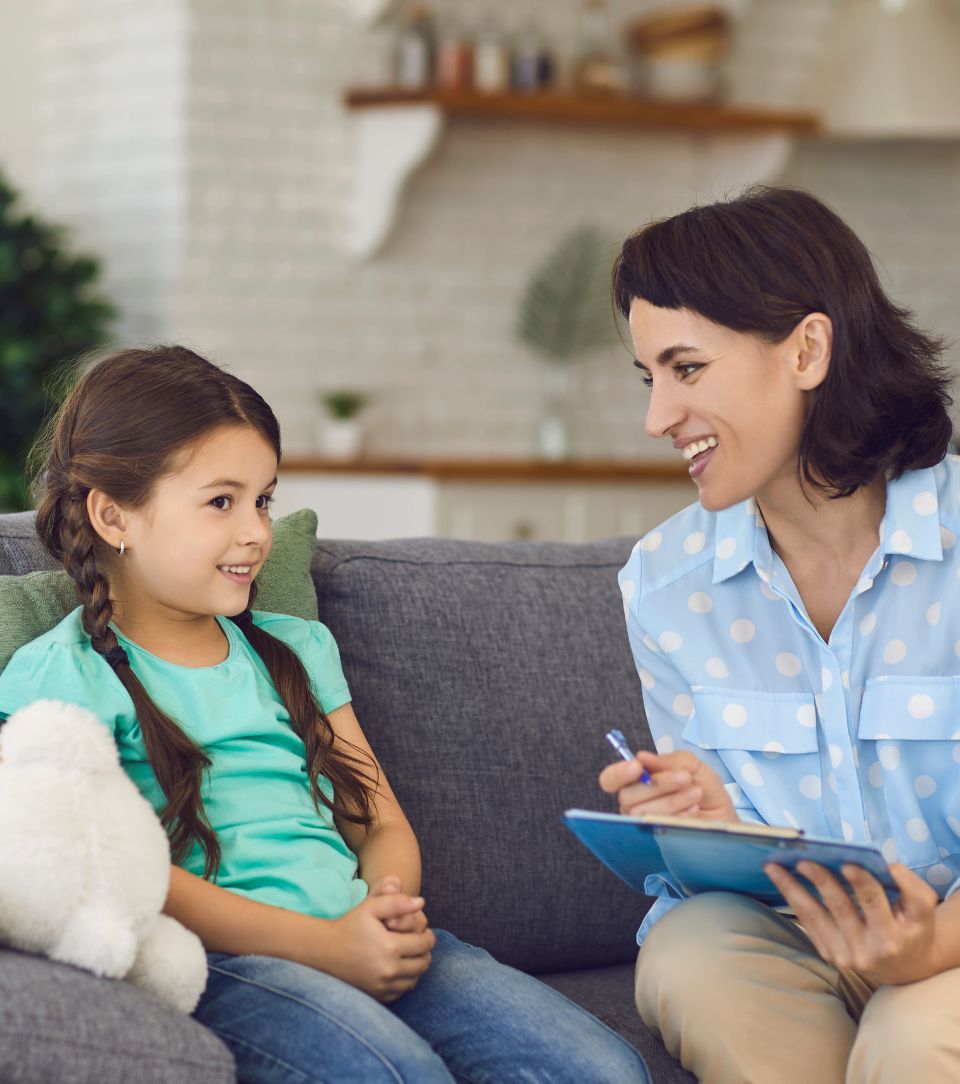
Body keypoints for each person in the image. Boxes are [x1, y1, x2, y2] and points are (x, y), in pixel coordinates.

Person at [0, 346, 651, 1084]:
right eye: (222, 501)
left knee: (604, 1069)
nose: (255, 532)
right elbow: (127, 872)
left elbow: (378, 822)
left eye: (263, 500)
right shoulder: (62, 676)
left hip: (360, 928)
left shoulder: (296, 648)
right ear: (114, 514)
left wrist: (384, 912)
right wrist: (326, 948)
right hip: (234, 966)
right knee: (392, 1072)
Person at [598, 186, 960, 1083]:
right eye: (650, 379)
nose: (657, 419)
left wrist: (926, 948)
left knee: (918, 1036)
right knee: (689, 956)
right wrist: (716, 824)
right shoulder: (666, 585)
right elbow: (763, 856)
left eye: (686, 369)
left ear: (807, 348)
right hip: (805, 935)